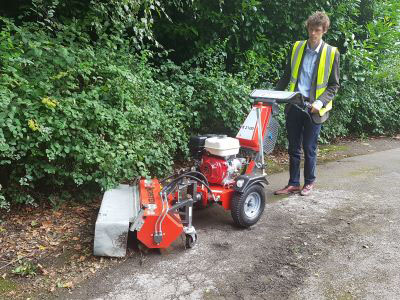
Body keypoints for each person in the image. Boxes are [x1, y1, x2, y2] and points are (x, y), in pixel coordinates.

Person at [274, 11, 340, 196]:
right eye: (311, 29)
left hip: (314, 109)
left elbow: (334, 86)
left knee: (309, 148)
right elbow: (286, 76)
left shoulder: (331, 53)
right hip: (295, 104)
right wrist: (273, 94)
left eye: (317, 30)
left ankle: (309, 182)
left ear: (324, 30)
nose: (313, 33)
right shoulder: (296, 48)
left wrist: (320, 102)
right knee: (293, 147)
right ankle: (293, 183)